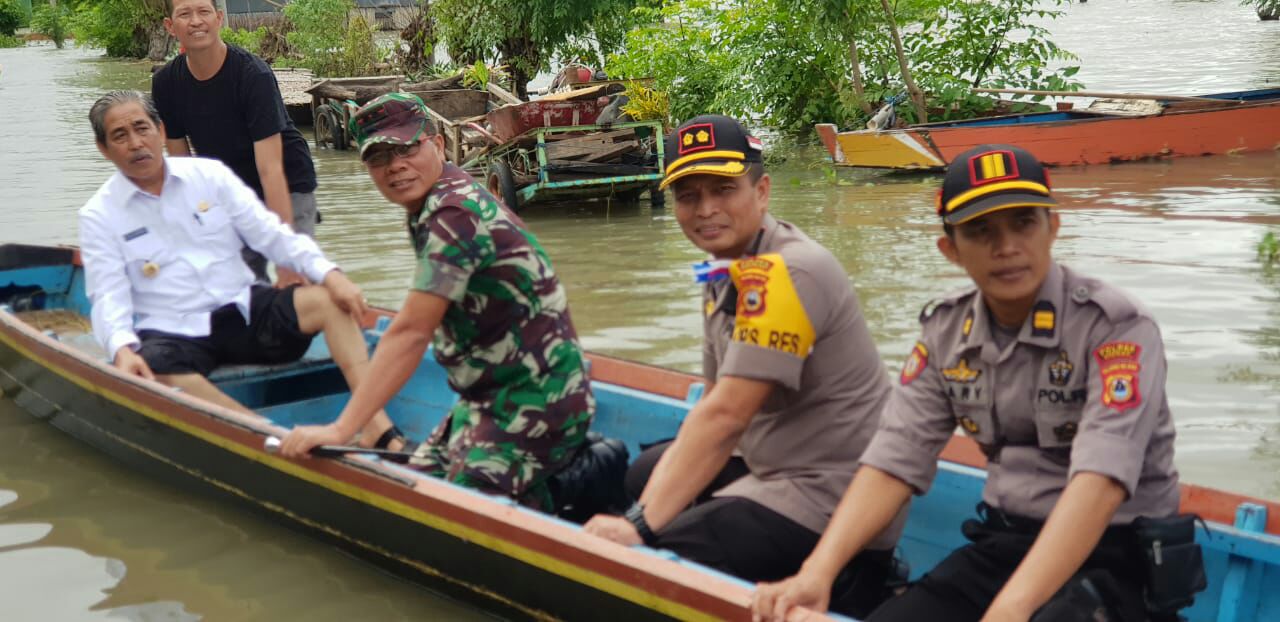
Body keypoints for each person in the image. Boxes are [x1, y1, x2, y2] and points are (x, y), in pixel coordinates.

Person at [753, 144, 1205, 622]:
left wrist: (1011, 609)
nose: (1006, 247)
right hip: (1003, 546)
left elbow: (1100, 481)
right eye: (980, 230)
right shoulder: (946, 333)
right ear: (950, 249)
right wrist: (817, 571)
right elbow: (894, 461)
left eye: (1023, 223)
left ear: (1053, 226)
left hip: (1117, 557)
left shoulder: (1115, 327)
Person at [582, 115, 903, 617]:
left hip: (830, 491)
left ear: (762, 191)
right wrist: (648, 506)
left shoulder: (787, 271)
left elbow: (728, 414)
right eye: (688, 195)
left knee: (663, 560)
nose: (706, 210)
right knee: (644, 474)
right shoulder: (725, 269)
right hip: (770, 463)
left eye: (723, 190)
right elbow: (714, 401)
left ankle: (853, 577)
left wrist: (638, 528)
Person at [278, 93, 599, 513]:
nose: (396, 166)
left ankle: (565, 498)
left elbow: (411, 332)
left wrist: (343, 428)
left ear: (439, 144)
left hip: (539, 400)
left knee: (452, 507)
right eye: (380, 157)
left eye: (408, 148)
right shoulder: (432, 204)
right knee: (418, 482)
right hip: (489, 398)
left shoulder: (454, 213)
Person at [79, 90, 402, 450]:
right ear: (103, 149)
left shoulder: (209, 175)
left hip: (244, 311)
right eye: (120, 136)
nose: (136, 143)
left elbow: (272, 234)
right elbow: (108, 296)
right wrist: (122, 348)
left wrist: (331, 274)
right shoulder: (99, 214)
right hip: (174, 331)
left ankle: (376, 426)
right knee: (149, 368)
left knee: (329, 300)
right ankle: (271, 437)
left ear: (160, 129)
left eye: (142, 128)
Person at [152, 0, 317, 288]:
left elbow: (271, 169)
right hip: (229, 188)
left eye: (203, 12)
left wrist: (285, 258)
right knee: (237, 284)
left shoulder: (253, 75)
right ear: (170, 26)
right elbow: (182, 168)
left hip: (286, 181)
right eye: (184, 14)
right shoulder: (166, 82)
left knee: (294, 281)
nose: (195, 21)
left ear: (218, 19)